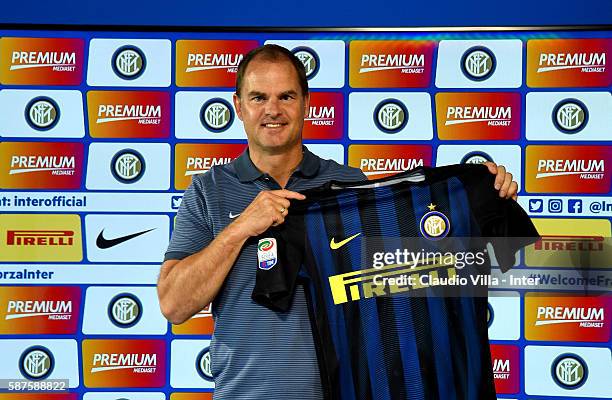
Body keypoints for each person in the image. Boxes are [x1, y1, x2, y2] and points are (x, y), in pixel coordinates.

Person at [157, 44, 518, 399]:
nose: (273, 110)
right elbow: (174, 305)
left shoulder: (348, 187)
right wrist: (240, 228)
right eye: (258, 97)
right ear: (238, 105)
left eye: (286, 96)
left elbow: (408, 275)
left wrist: (480, 203)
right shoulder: (208, 190)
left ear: (306, 103)